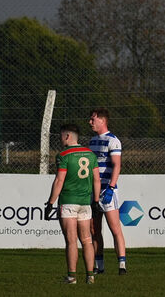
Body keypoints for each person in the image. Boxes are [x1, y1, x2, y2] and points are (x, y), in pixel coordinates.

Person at [47, 122, 100, 285]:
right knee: (86, 240)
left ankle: (71, 277)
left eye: (62, 135)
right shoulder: (91, 155)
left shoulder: (63, 155)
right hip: (85, 202)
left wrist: (50, 203)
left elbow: (59, 180)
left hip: (69, 202)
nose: (60, 138)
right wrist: (96, 201)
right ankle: (90, 276)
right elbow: (97, 180)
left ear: (68, 136)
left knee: (71, 241)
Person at [87, 107, 127, 275]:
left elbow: (117, 165)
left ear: (102, 120)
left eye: (93, 119)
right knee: (94, 230)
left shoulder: (113, 141)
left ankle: (122, 266)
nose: (90, 122)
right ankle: (100, 266)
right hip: (94, 190)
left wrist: (111, 187)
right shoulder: (92, 141)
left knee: (114, 228)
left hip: (108, 191)